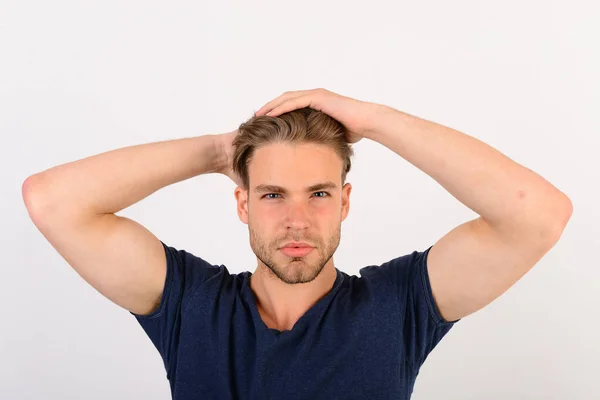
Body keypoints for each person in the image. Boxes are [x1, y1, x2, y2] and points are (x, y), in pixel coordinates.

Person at [23, 88, 572, 399]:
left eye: (318, 193)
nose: (297, 219)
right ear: (242, 204)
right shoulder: (192, 306)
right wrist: (220, 151)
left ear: (345, 202)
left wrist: (373, 121)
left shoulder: (395, 307)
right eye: (271, 195)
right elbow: (51, 200)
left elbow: (539, 215)